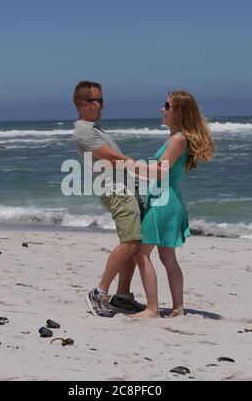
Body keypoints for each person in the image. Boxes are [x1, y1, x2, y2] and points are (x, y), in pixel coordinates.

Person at [134, 91, 215, 319]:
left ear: (178, 111)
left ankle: (151, 309)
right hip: (169, 200)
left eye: (167, 105)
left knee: (141, 255)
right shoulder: (176, 138)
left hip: (163, 201)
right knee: (168, 258)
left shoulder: (178, 139)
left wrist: (129, 167)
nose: (163, 109)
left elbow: (161, 171)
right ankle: (178, 308)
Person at [72, 81, 146, 318]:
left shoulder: (95, 128)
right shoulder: (85, 131)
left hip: (122, 188)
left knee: (132, 242)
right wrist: (140, 165)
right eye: (98, 101)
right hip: (115, 190)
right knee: (131, 242)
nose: (103, 105)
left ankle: (122, 297)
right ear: (83, 104)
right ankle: (99, 292)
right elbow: (110, 157)